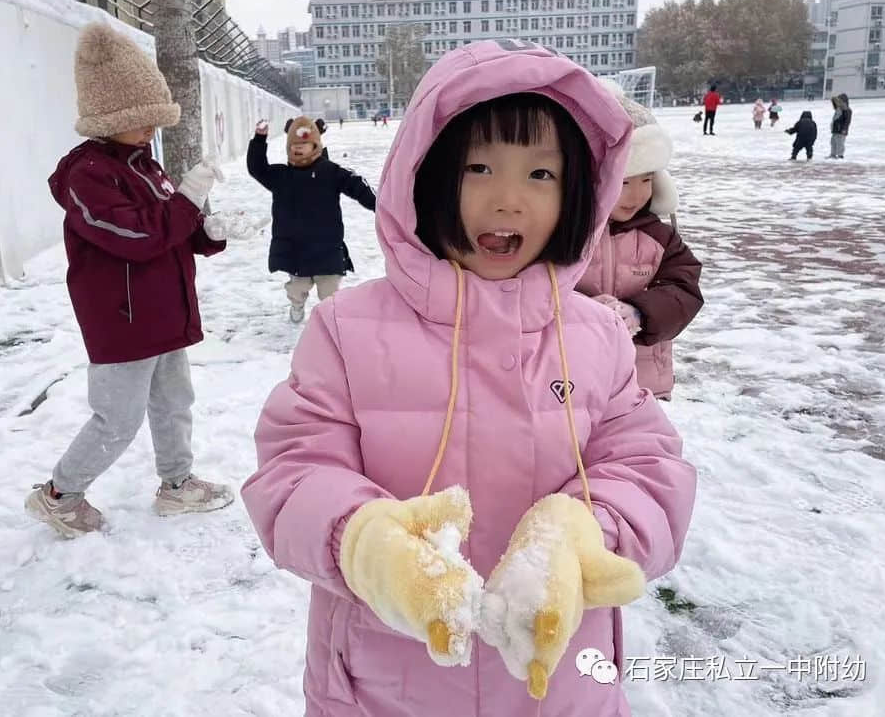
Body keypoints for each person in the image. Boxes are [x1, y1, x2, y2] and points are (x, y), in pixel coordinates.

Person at [242, 41, 696, 717]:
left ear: (577, 196)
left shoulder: (595, 335)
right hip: (382, 680)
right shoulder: (346, 330)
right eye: (479, 168)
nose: (508, 200)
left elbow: (647, 464)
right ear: (425, 178)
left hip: (558, 680)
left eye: (541, 175)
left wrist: (586, 532)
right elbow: (294, 470)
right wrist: (363, 543)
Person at [25, 24, 234, 538]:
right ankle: (59, 495)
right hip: (123, 321)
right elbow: (136, 237)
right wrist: (186, 201)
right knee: (116, 420)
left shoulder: (144, 164)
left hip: (163, 313)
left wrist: (207, 233)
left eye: (153, 118)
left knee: (174, 402)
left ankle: (177, 483)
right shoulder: (86, 177)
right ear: (109, 117)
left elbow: (169, 232)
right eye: (139, 119)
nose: (149, 128)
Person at [577, 86, 704, 401]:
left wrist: (639, 313)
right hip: (573, 373)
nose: (637, 195)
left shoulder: (659, 237)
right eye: (624, 182)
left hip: (640, 378)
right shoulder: (565, 235)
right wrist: (581, 311)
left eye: (647, 180)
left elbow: (684, 290)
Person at [247, 116, 377, 322]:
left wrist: (379, 205)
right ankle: (296, 306)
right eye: (294, 145)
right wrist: (259, 139)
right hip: (295, 250)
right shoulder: (282, 176)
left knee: (330, 292)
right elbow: (258, 169)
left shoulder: (329, 172)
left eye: (304, 144)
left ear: (315, 144)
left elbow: (357, 186)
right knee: (297, 288)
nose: (298, 149)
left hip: (327, 247)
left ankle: (331, 318)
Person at [836, 93, 853, 158]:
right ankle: (834, 154)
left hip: (842, 130)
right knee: (835, 142)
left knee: (841, 142)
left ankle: (840, 155)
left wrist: (844, 129)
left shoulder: (848, 110)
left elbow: (847, 121)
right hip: (837, 129)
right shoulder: (840, 109)